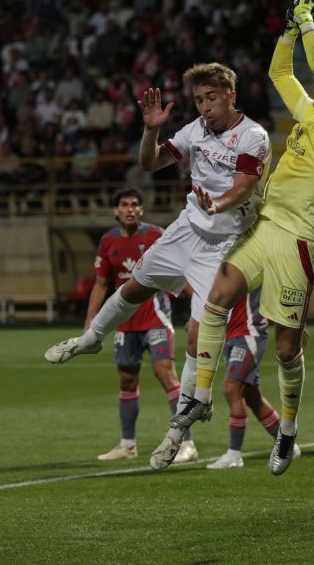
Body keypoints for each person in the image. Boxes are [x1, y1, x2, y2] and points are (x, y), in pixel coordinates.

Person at [153, 0, 314, 474]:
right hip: (265, 224)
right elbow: (281, 71)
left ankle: (289, 432)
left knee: (285, 347)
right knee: (215, 299)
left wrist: (308, 18)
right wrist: (288, 28)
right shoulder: (311, 114)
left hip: (298, 240)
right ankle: (202, 397)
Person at [44, 62, 273, 468]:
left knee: (197, 335)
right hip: (187, 228)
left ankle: (175, 433)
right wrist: (150, 130)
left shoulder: (252, 136)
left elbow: (242, 189)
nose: (204, 106)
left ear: (231, 95)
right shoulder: (194, 131)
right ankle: (91, 338)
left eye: (212, 97)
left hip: (224, 246)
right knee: (135, 286)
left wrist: (215, 204)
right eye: (199, 99)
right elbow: (149, 164)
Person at [88, 188, 183, 462]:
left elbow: (178, 268)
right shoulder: (108, 241)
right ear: (115, 211)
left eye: (135, 205)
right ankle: (128, 445)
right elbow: (101, 283)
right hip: (124, 322)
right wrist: (91, 320)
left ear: (141, 210)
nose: (130, 209)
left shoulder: (156, 235)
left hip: (155, 318)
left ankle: (185, 443)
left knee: (166, 375)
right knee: (127, 380)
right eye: (124, 205)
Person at [208, 288, 294, 470]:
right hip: (231, 333)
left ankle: (234, 455)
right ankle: (287, 445)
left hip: (249, 333)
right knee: (252, 396)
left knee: (231, 388)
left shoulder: (252, 262)